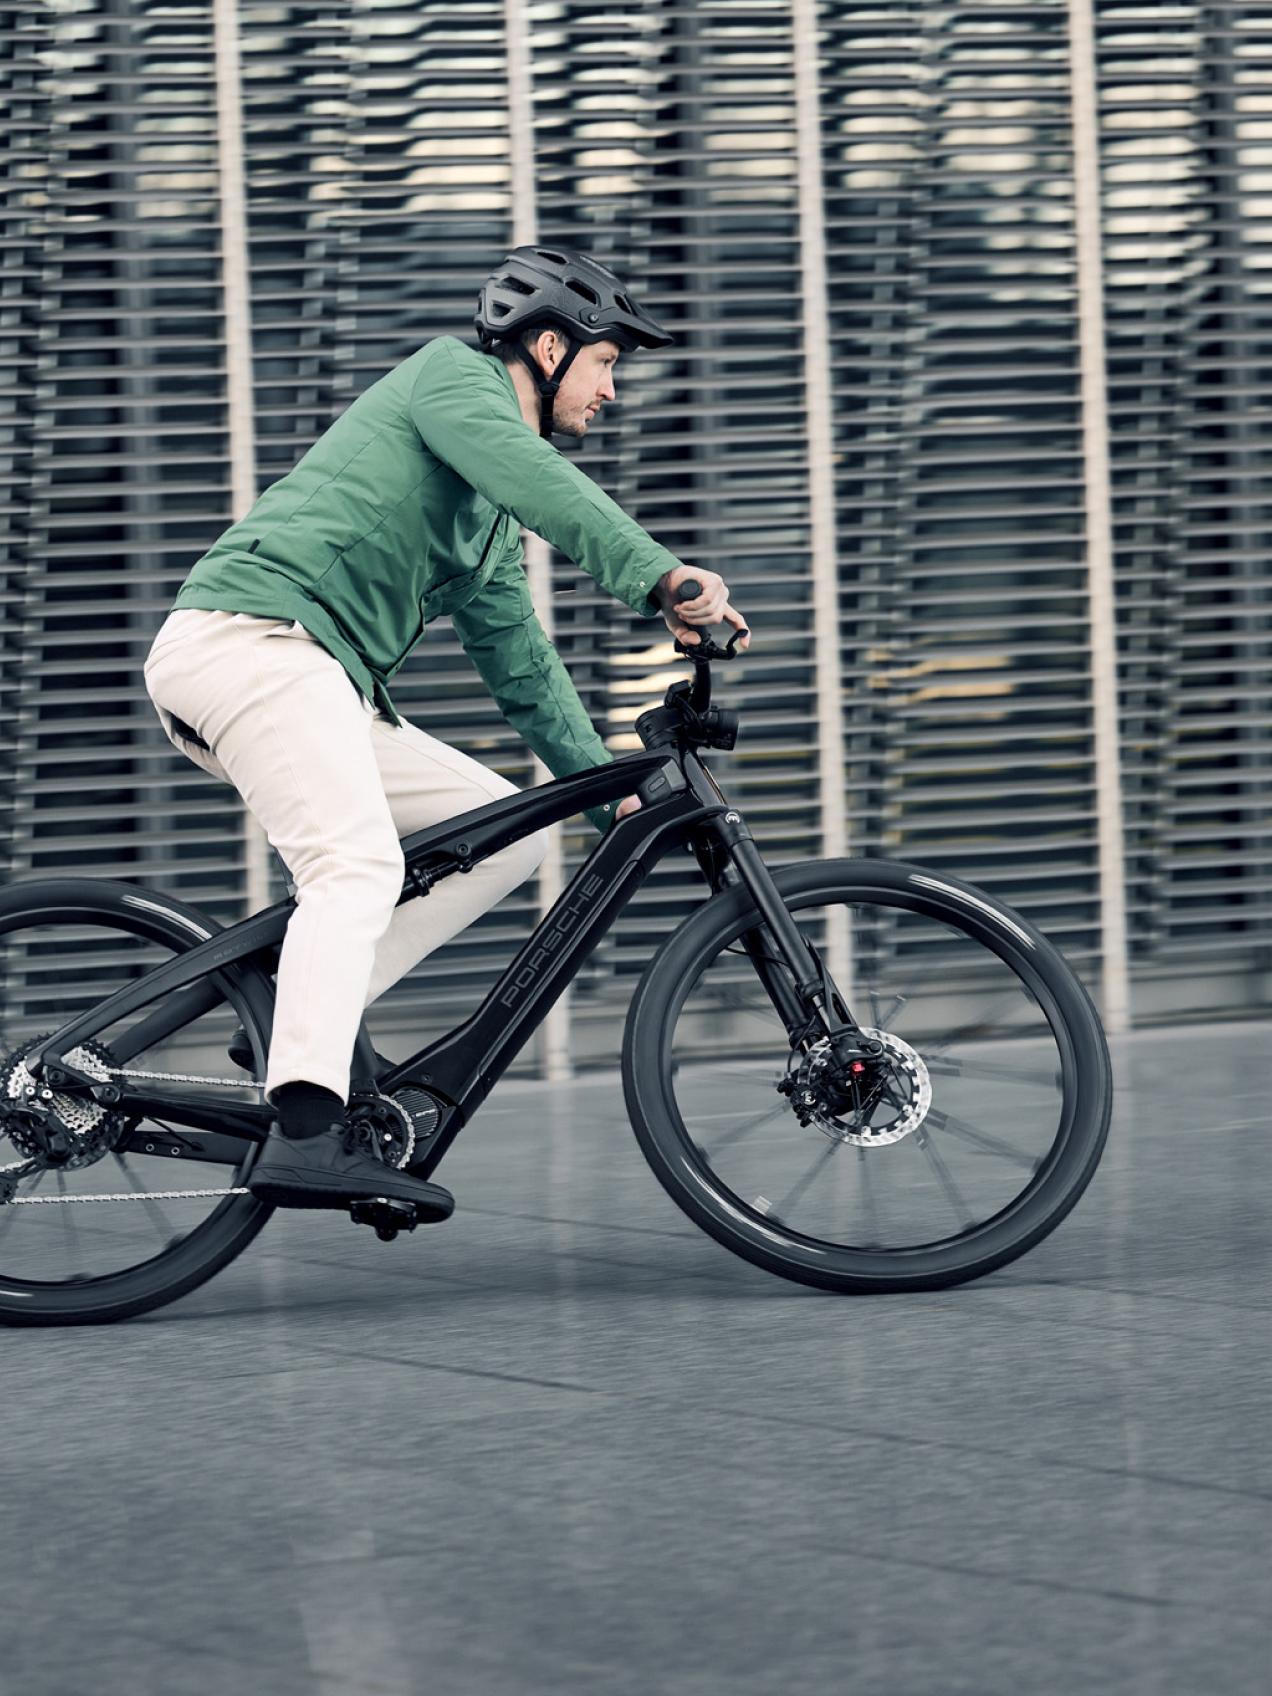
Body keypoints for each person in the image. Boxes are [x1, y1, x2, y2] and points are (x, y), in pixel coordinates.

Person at [142, 245, 750, 1219]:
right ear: (548, 347)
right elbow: (530, 472)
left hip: (312, 678)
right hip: (250, 644)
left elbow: (523, 669)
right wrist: (658, 576)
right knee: (356, 866)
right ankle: (304, 1127)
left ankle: (299, 1018)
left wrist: (610, 792)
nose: (611, 393)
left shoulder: (484, 521)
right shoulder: (451, 382)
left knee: (498, 828)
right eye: (604, 366)